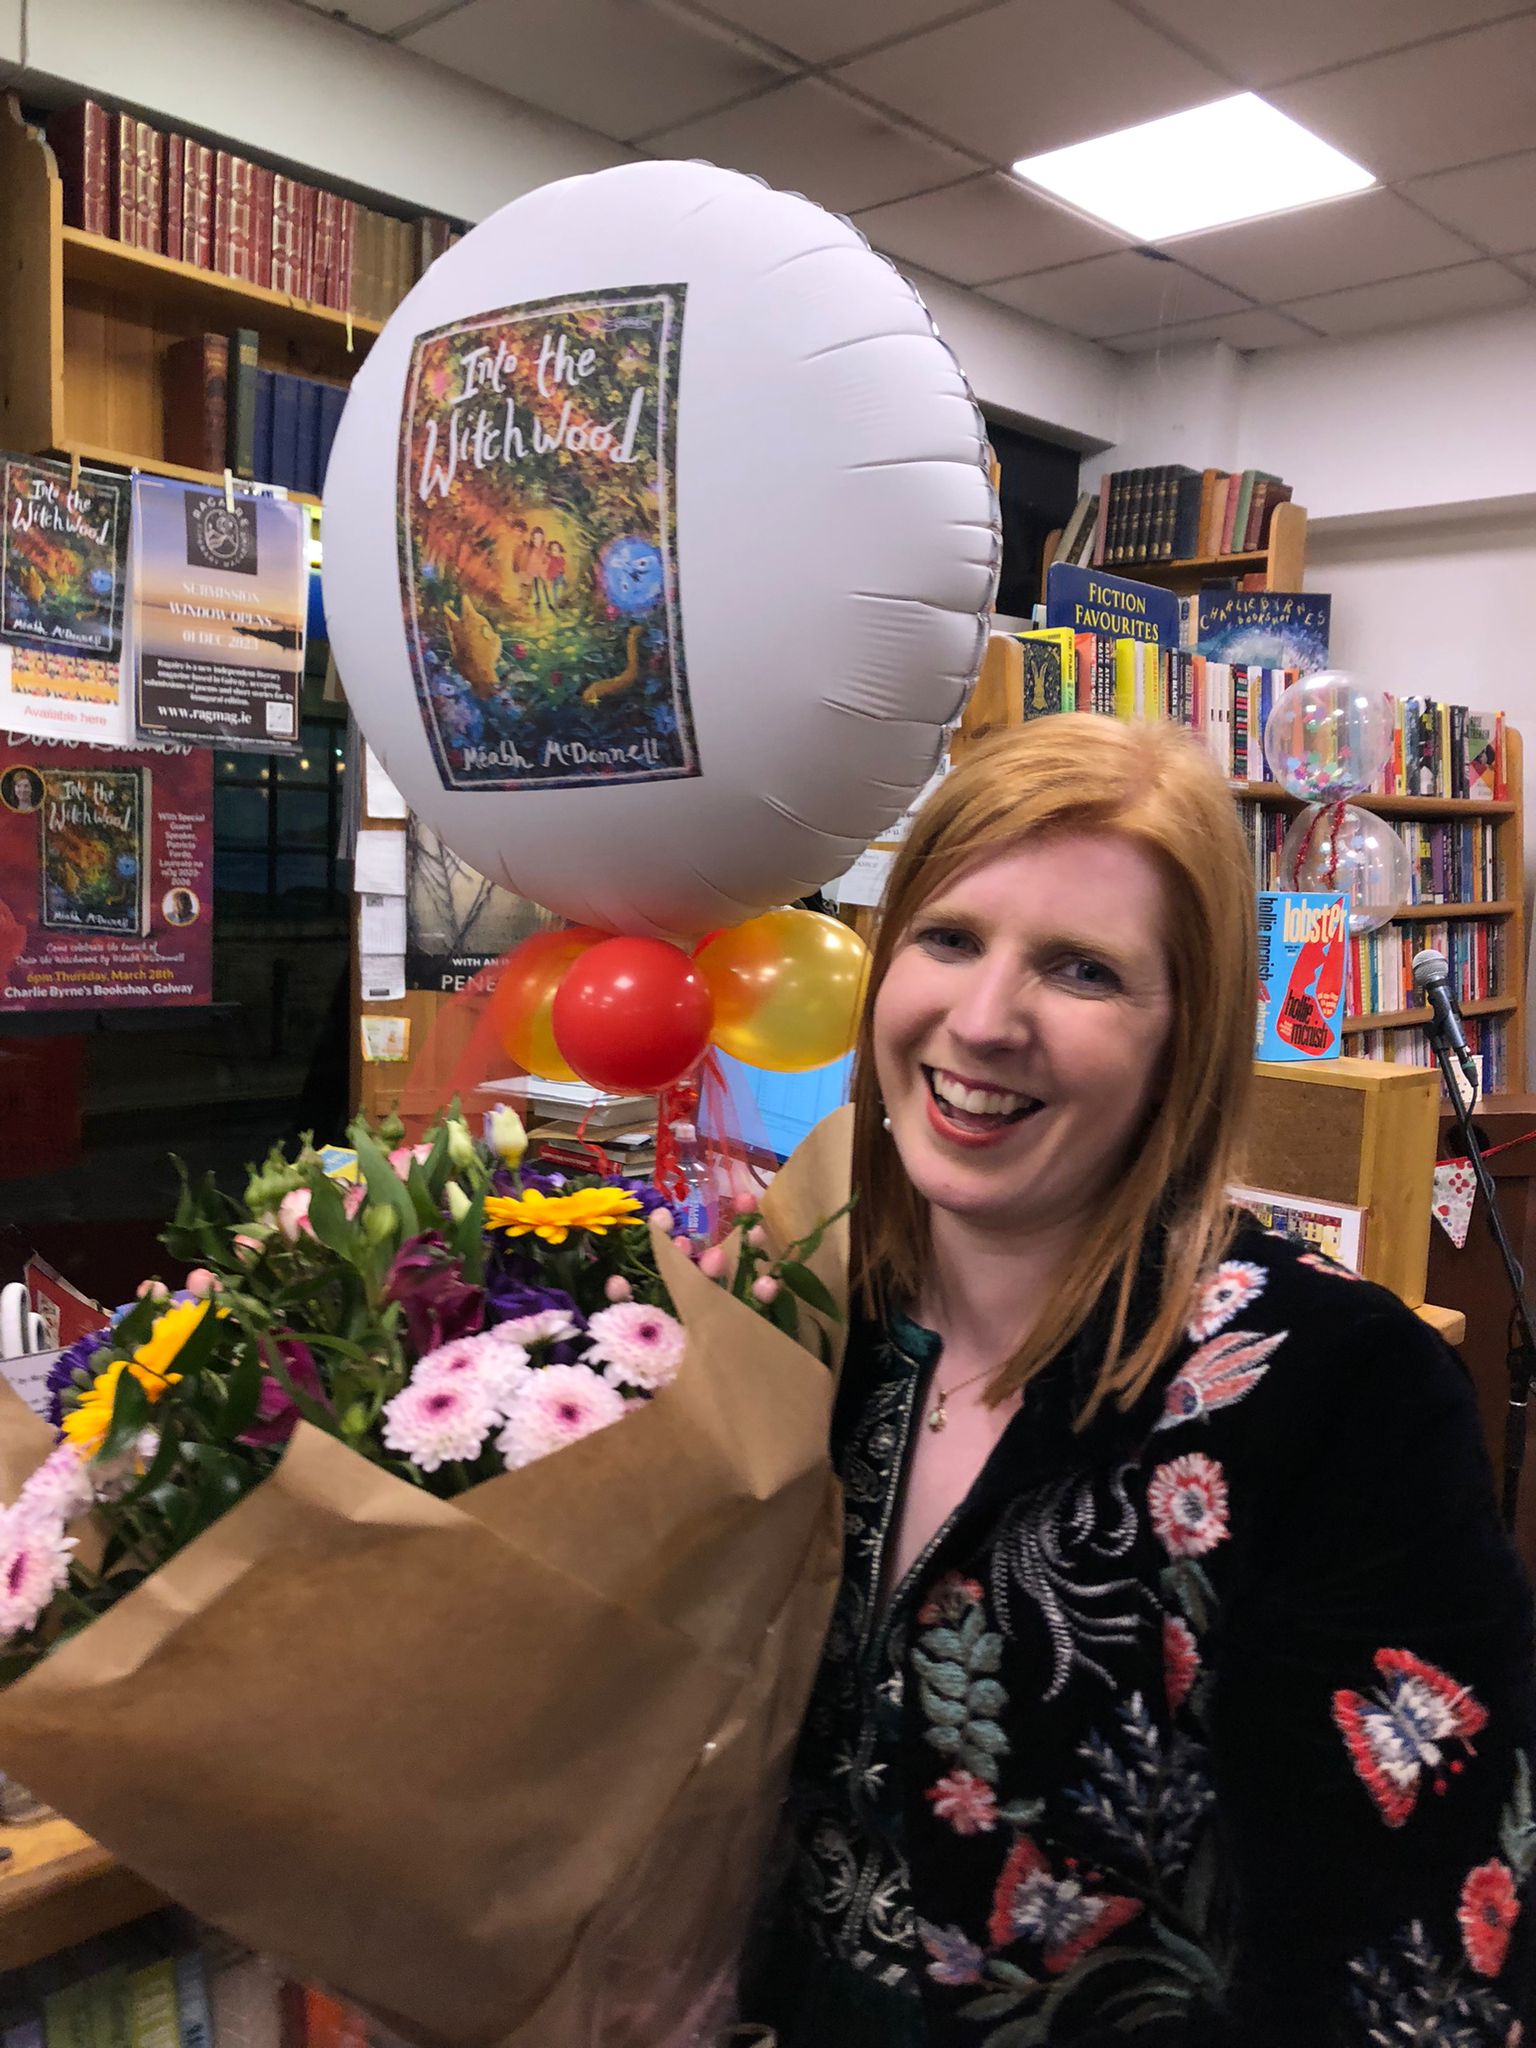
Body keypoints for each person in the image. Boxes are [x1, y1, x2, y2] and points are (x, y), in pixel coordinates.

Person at [746, 714, 1535, 2046]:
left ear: (1188, 1037)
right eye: (949, 939)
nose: (986, 1020)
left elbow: (1416, 1967)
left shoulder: (1336, 1393)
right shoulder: (810, 1311)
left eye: (1084, 972)